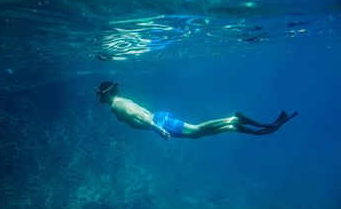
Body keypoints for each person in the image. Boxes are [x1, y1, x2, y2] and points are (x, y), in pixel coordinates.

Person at [96, 81, 298, 140]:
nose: (100, 99)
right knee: (196, 134)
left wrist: (157, 129)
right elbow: (137, 114)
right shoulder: (121, 99)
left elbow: (138, 115)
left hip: (159, 122)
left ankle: (232, 119)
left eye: (100, 96)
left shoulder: (116, 104)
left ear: (106, 94)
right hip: (158, 119)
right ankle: (231, 126)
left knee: (195, 130)